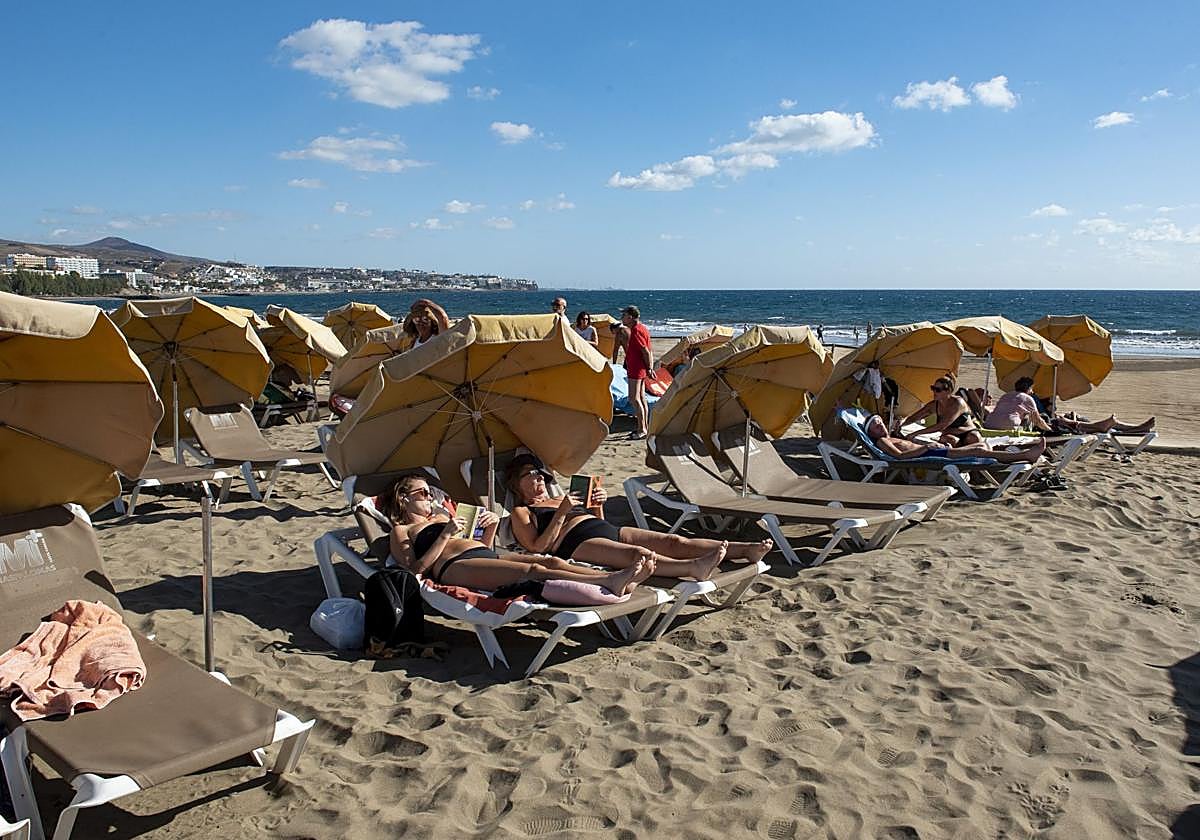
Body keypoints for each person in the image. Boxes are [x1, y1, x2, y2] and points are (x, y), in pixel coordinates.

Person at [505, 454, 772, 580]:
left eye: (541, 475)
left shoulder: (560, 496)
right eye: (531, 475)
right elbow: (537, 547)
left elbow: (599, 520)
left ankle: (745, 549)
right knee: (639, 555)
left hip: (604, 529)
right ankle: (692, 567)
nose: (539, 479)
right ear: (517, 484)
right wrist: (562, 512)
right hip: (576, 544)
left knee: (673, 541)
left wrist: (598, 504)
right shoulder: (521, 511)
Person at [379, 473, 652, 594]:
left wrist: (490, 527)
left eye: (430, 492)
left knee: (551, 562)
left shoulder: (441, 516)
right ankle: (608, 580)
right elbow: (415, 569)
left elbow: (481, 547)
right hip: (453, 567)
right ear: (403, 498)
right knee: (533, 570)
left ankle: (616, 579)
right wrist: (445, 534)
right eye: (423, 493)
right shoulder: (402, 530)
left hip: (482, 554)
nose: (430, 497)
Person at [864, 415, 1046, 463]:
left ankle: (1016, 455)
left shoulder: (892, 437)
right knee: (979, 450)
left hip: (932, 451)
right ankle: (1025, 456)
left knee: (982, 445)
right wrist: (926, 448)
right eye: (875, 425)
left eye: (880, 422)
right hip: (929, 455)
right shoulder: (882, 442)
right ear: (871, 433)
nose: (880, 425)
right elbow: (899, 457)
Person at [898, 374, 983, 446]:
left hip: (967, 431)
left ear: (948, 391)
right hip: (951, 434)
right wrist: (900, 424)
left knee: (973, 438)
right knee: (948, 439)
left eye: (938, 390)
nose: (934, 392)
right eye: (933, 388)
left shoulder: (958, 403)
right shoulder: (934, 405)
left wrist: (915, 433)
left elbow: (942, 426)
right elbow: (914, 418)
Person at [618, 305, 655, 440]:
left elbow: (646, 351)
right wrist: (649, 367)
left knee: (633, 398)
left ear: (630, 317)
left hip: (637, 369)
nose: (621, 318)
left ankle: (642, 429)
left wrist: (649, 368)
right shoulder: (640, 328)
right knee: (641, 398)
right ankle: (644, 427)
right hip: (639, 368)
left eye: (623, 315)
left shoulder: (637, 330)